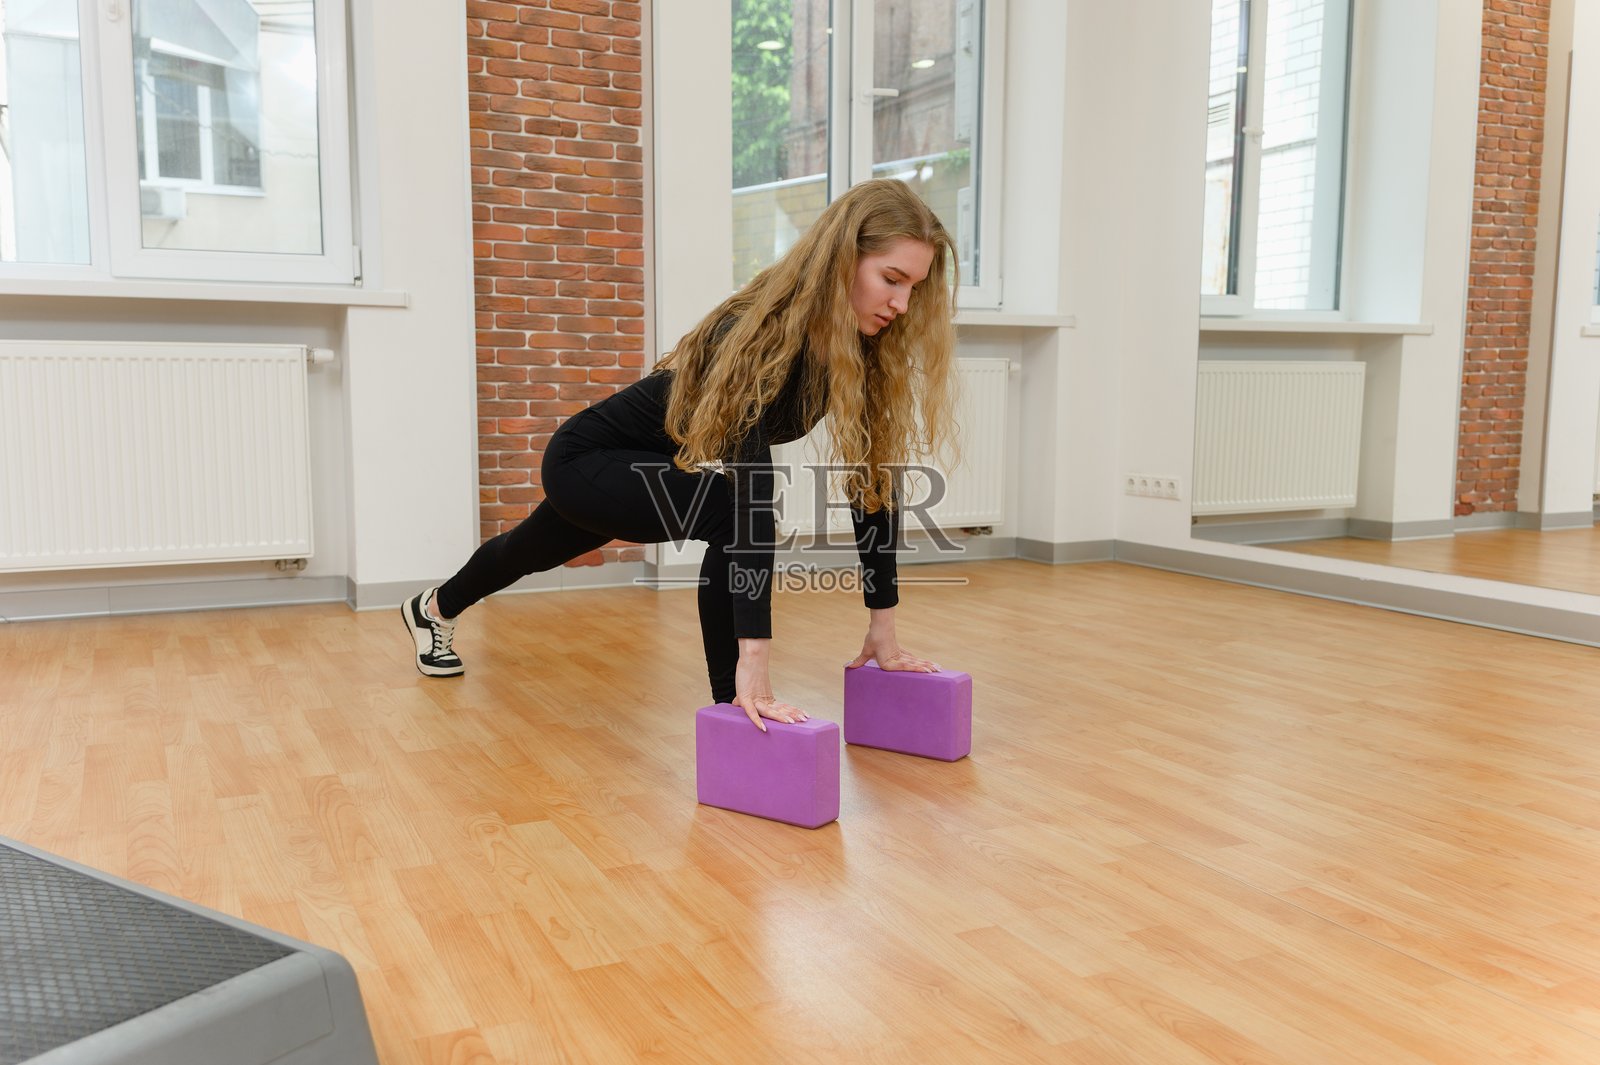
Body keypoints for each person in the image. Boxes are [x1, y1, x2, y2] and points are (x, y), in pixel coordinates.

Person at [402, 178, 960, 730]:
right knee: (728, 512)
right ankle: (734, 708)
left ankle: (431, 608)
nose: (902, 303)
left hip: (654, 468)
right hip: (586, 457)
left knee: (528, 550)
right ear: (843, 260)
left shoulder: (856, 353)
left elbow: (872, 486)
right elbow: (748, 496)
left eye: (914, 287)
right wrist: (755, 664)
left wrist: (882, 632)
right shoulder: (755, 334)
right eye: (891, 279)